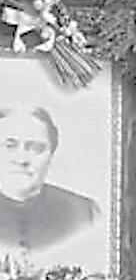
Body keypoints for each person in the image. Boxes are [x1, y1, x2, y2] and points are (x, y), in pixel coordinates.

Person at [0, 105, 100, 252]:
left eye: (36, 148)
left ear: (51, 155)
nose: (21, 160)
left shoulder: (85, 214)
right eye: (9, 146)